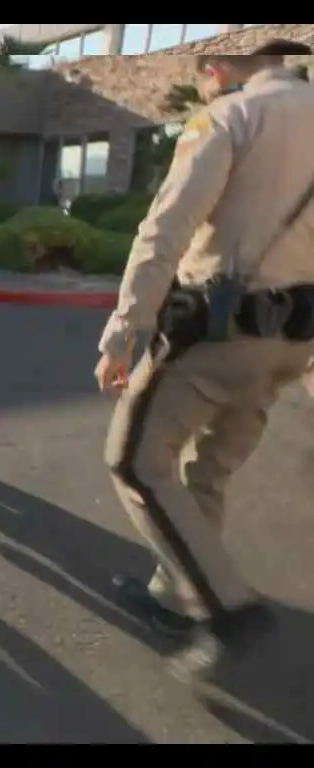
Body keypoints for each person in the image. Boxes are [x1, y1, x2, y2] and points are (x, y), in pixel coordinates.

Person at [95, 40, 314, 683]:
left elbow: (165, 229)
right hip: (293, 341)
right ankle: (174, 596)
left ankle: (228, 610)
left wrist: (123, 332)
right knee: (206, 471)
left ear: (215, 70)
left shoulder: (229, 117)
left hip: (218, 335)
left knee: (135, 462)